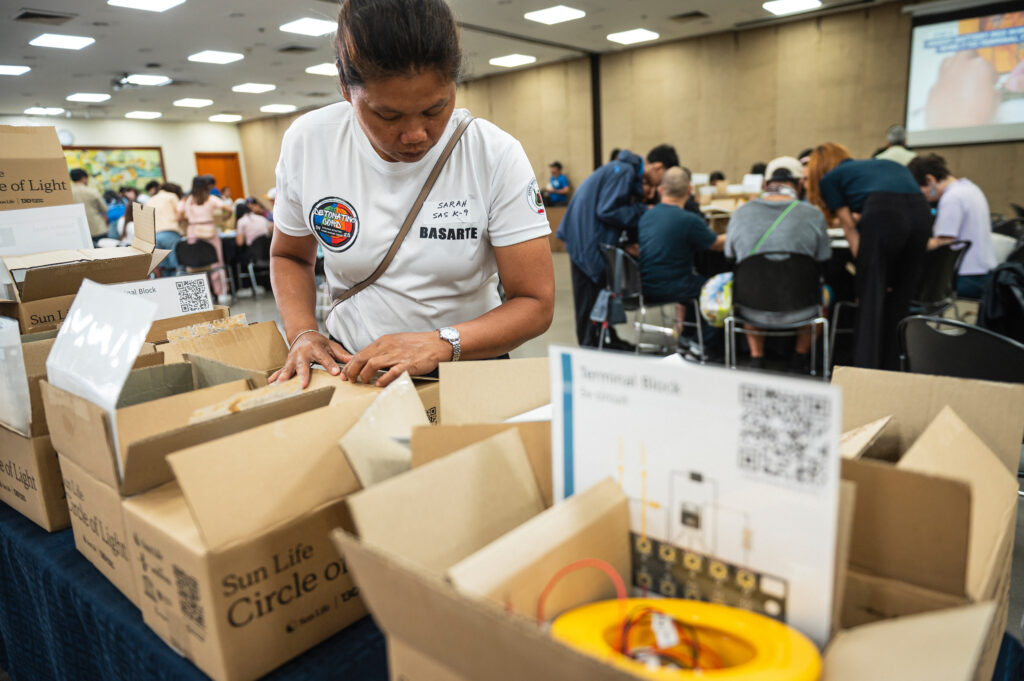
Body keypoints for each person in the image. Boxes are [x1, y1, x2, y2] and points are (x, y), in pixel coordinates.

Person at [269, 0, 554, 388]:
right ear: (346, 88)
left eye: (436, 109)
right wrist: (302, 331)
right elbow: (289, 255)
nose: (416, 135)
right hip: (354, 372)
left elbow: (535, 302)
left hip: (469, 371)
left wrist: (441, 343)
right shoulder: (310, 143)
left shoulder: (492, 154)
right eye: (388, 116)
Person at [807, 143, 931, 370]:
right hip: (922, 213)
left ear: (818, 167)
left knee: (871, 298)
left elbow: (851, 230)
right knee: (900, 296)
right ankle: (896, 365)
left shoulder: (829, 180)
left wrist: (865, 267)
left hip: (884, 211)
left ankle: (866, 368)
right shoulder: (878, 167)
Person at [726, 157, 831, 372]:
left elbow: (729, 253)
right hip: (802, 309)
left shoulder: (740, 213)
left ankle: (756, 357)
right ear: (800, 184)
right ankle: (800, 357)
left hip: (750, 308)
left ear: (765, 184)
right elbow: (824, 256)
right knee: (825, 293)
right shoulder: (814, 215)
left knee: (751, 284)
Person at [557, 149, 646, 347]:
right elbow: (608, 209)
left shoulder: (616, 168)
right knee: (588, 298)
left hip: (583, 236)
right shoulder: (624, 170)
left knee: (599, 294)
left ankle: (606, 339)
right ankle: (589, 347)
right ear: (655, 167)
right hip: (587, 242)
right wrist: (642, 210)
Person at [638, 167, 725, 355]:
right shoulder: (689, 220)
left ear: (660, 190)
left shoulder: (647, 216)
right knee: (715, 289)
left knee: (697, 284)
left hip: (645, 286)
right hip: (674, 286)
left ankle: (687, 336)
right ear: (690, 191)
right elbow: (716, 245)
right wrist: (737, 232)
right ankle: (702, 345)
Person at [908, 154, 997, 298]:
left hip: (966, 277)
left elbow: (944, 242)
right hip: (985, 273)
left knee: (911, 291)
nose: (921, 196)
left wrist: (910, 245)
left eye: (919, 189)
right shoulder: (970, 188)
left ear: (930, 180)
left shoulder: (952, 198)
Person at [178, 175, 231, 303]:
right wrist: (225, 217)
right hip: (209, 230)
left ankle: (202, 295)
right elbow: (228, 208)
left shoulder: (187, 200)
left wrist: (190, 219)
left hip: (193, 231)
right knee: (216, 263)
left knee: (196, 263)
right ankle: (221, 293)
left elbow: (179, 216)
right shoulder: (211, 199)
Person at [147, 182, 184, 276]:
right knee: (178, 266)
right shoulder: (171, 196)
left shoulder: (150, 200)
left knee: (163, 268)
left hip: (154, 236)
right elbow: (180, 213)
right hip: (170, 233)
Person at [69, 169, 109, 246]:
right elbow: (104, 209)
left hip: (79, 231)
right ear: (84, 178)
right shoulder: (92, 191)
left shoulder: (68, 193)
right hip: (97, 228)